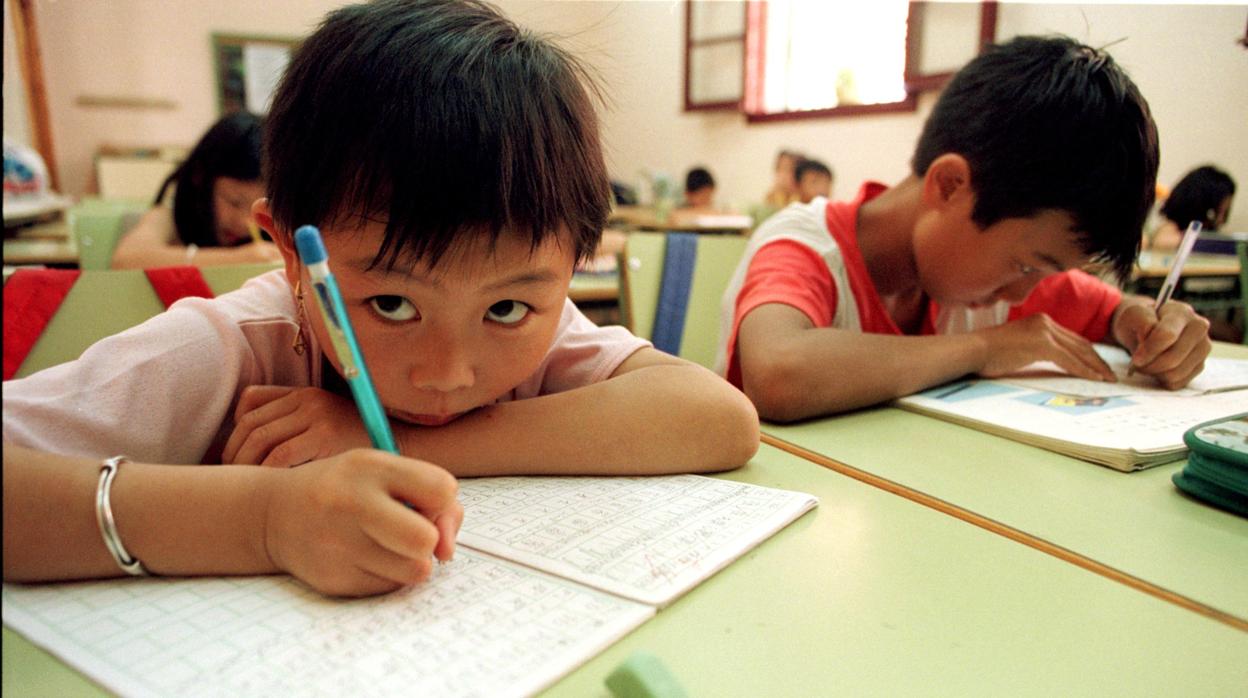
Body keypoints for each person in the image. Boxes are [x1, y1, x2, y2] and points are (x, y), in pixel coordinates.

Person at [4, 0, 759, 598]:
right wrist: (266, 522)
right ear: (288, 249)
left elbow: (718, 419)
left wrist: (390, 443)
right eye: (391, 304)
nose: (449, 372)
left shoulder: (544, 326)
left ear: (575, 261)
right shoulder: (231, 344)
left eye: (506, 310)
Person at [715, 35, 1212, 422]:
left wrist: (1146, 324)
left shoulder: (989, 268)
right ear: (950, 186)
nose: (1021, 297)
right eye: (1026, 266)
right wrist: (985, 348)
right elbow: (779, 371)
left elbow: (1112, 311)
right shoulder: (805, 244)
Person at [110, 112, 282, 268]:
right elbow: (125, 260)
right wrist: (237, 259)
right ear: (199, 177)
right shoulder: (170, 215)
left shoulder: (278, 223)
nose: (246, 222)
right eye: (234, 202)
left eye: (262, 204)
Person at [1148, 165, 1236, 252]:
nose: (1220, 221)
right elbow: (1162, 242)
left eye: (1225, 214)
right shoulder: (1169, 233)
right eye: (1217, 212)